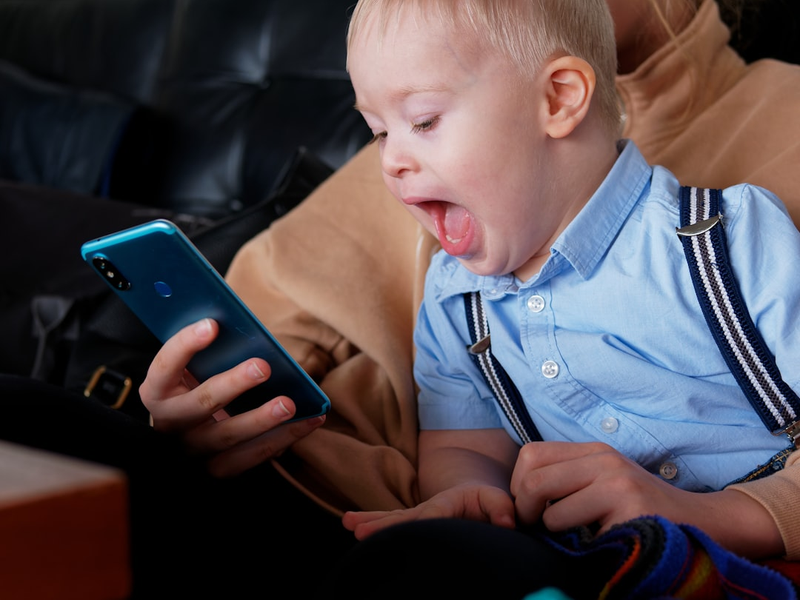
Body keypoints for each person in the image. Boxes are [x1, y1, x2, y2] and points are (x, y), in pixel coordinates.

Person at [3, 0, 800, 596]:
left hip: (584, 548)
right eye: (381, 134)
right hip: (332, 494)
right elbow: (461, 441)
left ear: (560, 98)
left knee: (424, 566)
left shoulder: (727, 230)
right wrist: (461, 493)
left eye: (419, 123)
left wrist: (723, 514)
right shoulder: (460, 264)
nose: (391, 164)